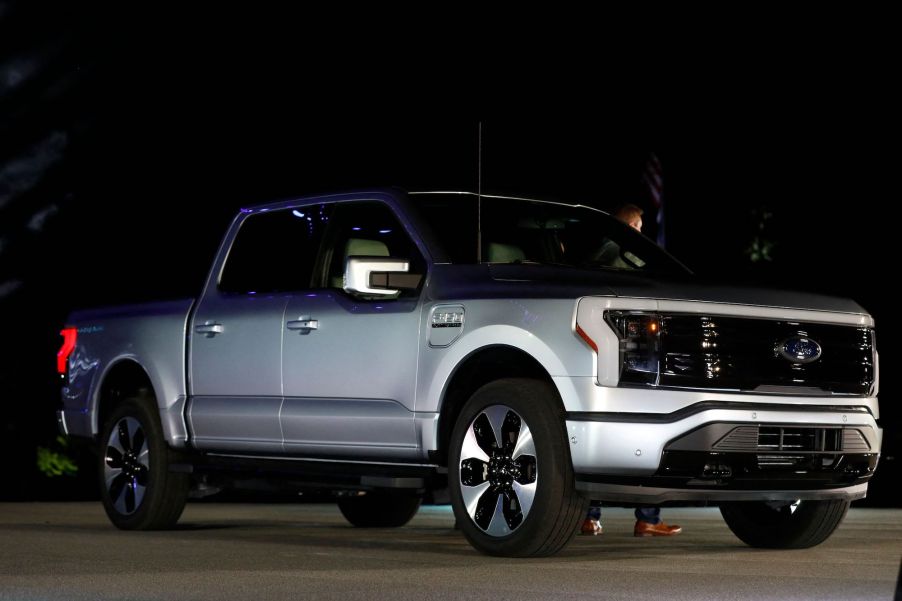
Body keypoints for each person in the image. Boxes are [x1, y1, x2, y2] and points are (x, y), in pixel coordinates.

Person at [580, 202, 682, 538]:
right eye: (637, 226)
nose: (640, 233)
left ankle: (591, 516)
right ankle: (646, 518)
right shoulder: (617, 252)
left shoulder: (595, 252)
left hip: (615, 348)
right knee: (648, 431)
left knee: (601, 439)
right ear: (625, 225)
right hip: (631, 348)